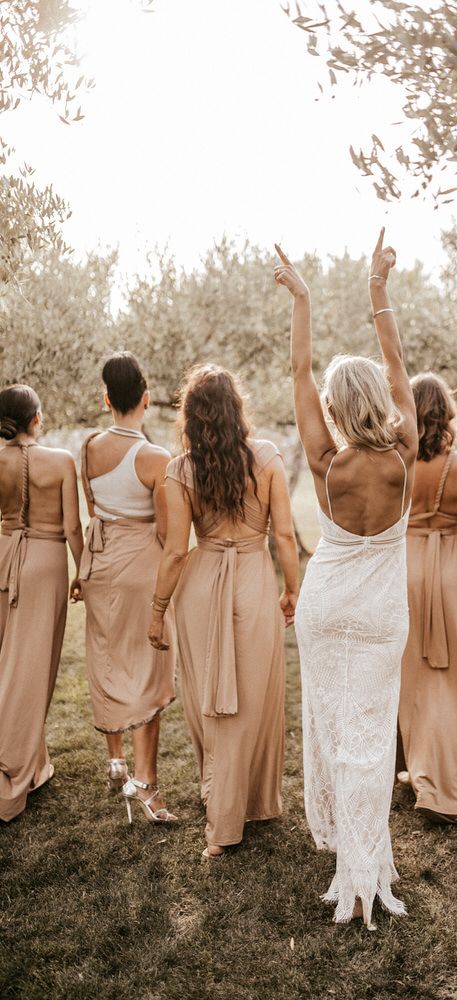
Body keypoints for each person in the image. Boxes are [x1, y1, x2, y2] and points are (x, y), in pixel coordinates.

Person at [274, 229, 418, 930]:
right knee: (370, 737)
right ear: (381, 399)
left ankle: (354, 864)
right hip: (381, 609)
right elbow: (397, 360)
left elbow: (299, 372)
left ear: (334, 404)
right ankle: (366, 864)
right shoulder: (403, 451)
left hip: (326, 605)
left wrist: (300, 299)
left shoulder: (324, 457)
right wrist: (376, 290)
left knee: (336, 731)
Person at [148, 364, 298, 857]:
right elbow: (284, 536)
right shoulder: (269, 458)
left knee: (213, 701)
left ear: (191, 416)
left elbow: (174, 552)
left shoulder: (180, 469)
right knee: (249, 699)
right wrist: (292, 589)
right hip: (254, 581)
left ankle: (227, 811)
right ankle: (243, 803)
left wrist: (157, 610)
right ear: (238, 409)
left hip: (202, 584)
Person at [72, 352, 176, 824]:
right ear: (147, 398)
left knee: (107, 654)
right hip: (138, 566)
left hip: (98, 562)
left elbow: (93, 507)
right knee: (148, 666)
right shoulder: (155, 458)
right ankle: (146, 787)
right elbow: (165, 532)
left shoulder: (88, 446)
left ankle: (115, 758)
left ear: (106, 398)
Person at [397, 373, 457, 823]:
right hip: (451, 568)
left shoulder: (397, 461)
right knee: (454, 679)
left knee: (408, 673)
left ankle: (411, 768)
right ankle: (441, 782)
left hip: (404, 567)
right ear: (446, 412)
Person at [0, 384, 83, 822]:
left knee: (7, 664)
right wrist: (83, 570)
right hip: (46, 563)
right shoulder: (62, 461)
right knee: (30, 670)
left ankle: (31, 762)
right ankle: (10, 770)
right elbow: (72, 527)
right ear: (36, 418)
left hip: (4, 556)